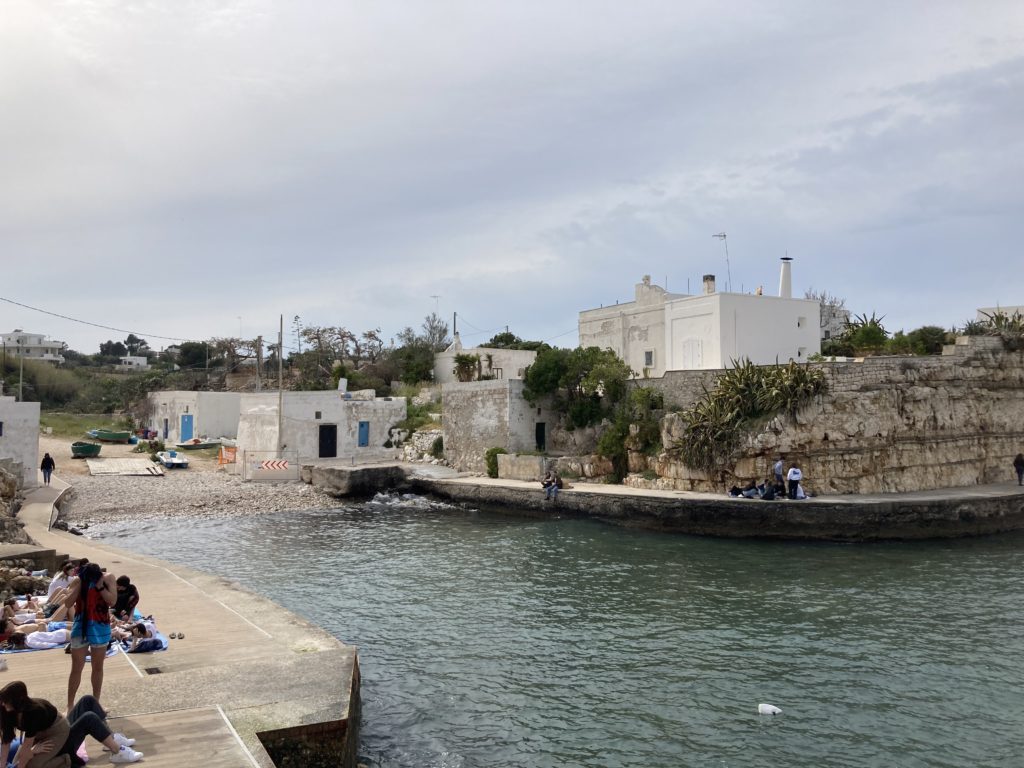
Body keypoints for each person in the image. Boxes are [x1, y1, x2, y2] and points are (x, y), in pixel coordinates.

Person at [0, 680, 142, 766]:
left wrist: (31, 752)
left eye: (6, 701)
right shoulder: (5, 710)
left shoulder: (31, 712)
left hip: (58, 733)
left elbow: (25, 752)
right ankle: (109, 738)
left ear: (17, 701)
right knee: (87, 701)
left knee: (89, 716)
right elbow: (6, 740)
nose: (3, 703)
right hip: (50, 732)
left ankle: (116, 750)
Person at [63, 563, 116, 714]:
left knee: (97, 667)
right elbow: (67, 603)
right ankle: (70, 705)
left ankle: (96, 703)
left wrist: (100, 587)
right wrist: (80, 584)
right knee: (76, 668)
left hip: (100, 627)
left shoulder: (108, 579)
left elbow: (112, 601)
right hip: (80, 628)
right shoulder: (78, 581)